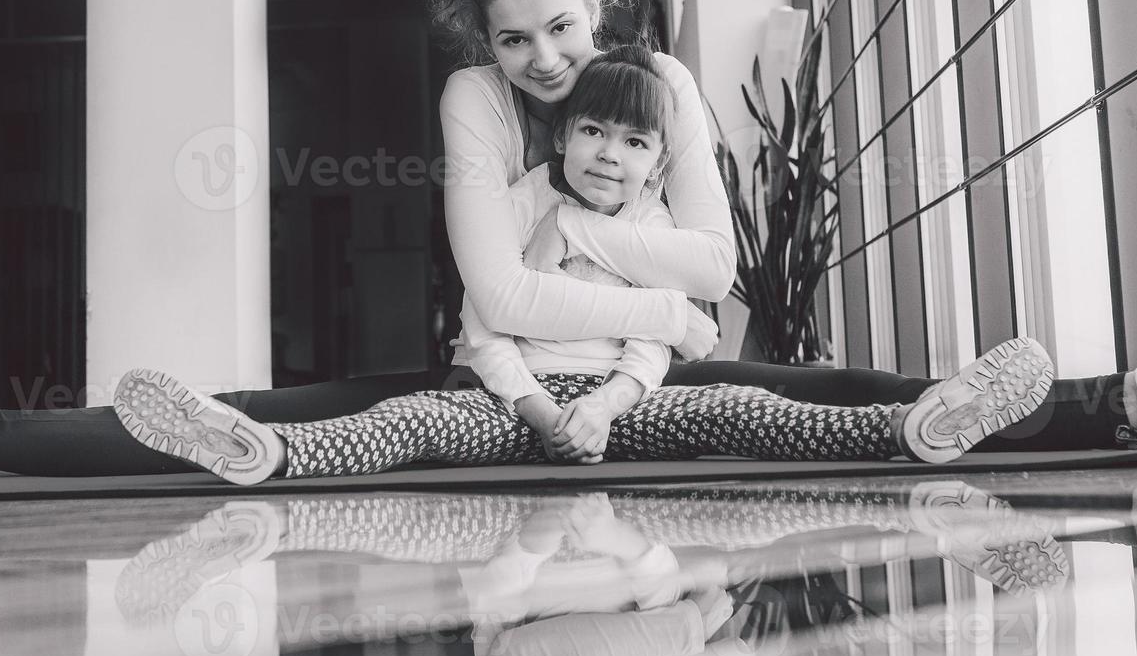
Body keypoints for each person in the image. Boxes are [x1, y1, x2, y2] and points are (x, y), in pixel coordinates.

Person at [0, 0, 1137, 484]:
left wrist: (616, 289)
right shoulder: (468, 100)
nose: (547, 64)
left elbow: (719, 282)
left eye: (563, 28)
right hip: (500, 382)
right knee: (273, 414)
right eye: (512, 41)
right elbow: (494, 294)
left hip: (634, 384)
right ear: (476, 42)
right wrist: (635, 270)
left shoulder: (668, 89)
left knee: (831, 394)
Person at [106, 45, 1056, 483]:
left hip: (622, 411)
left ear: (656, 158)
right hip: (508, 407)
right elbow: (485, 330)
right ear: (561, 139)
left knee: (749, 409)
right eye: (591, 131)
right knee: (401, 420)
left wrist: (602, 406)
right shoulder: (524, 203)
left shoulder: (655, 233)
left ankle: (917, 427)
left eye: (633, 142)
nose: (609, 153)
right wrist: (535, 408)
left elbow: (658, 350)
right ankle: (262, 451)